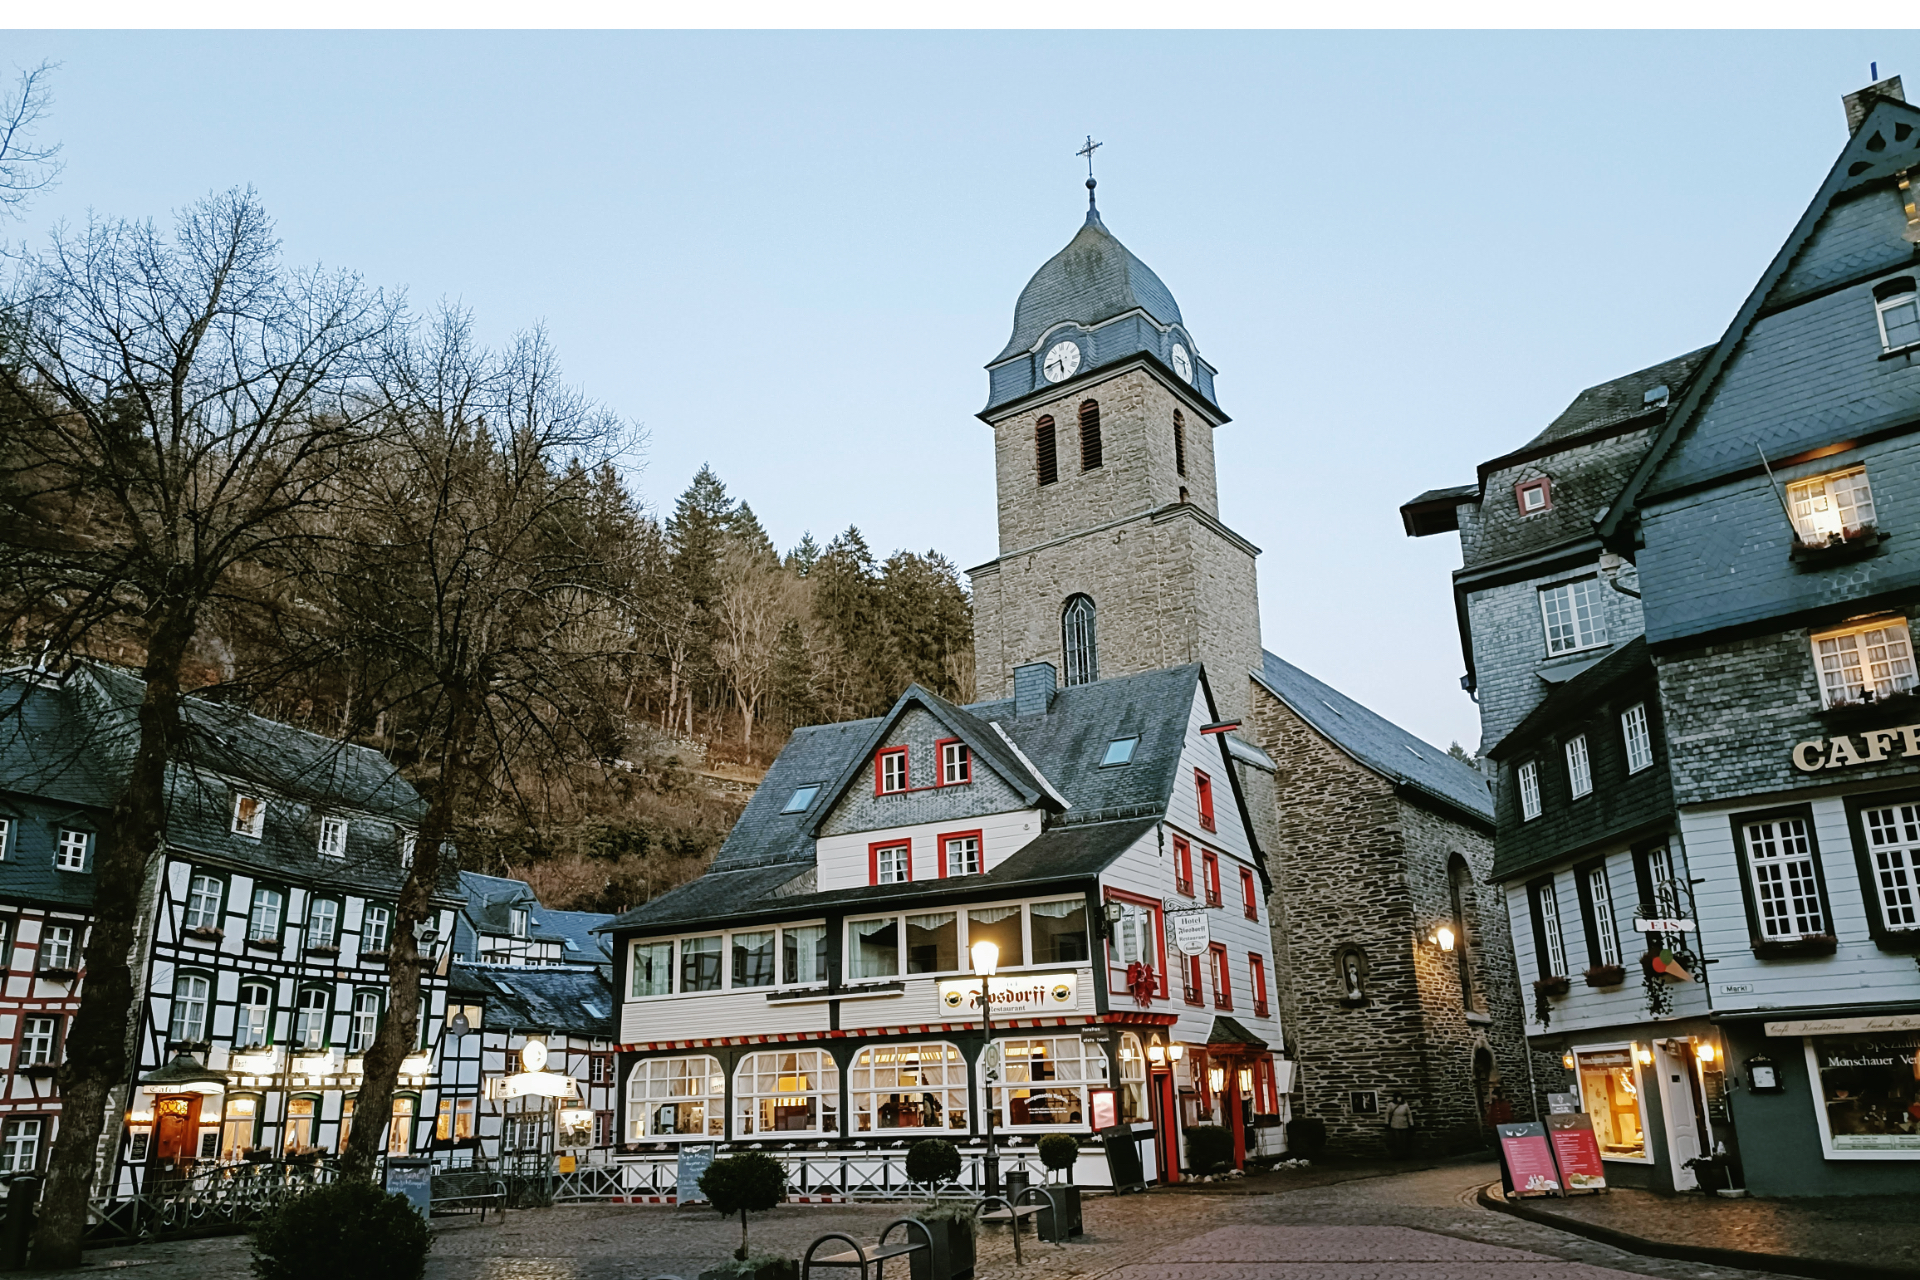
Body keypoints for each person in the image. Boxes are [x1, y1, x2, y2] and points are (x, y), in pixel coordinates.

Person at [1385, 1094, 1415, 1158]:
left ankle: (1403, 1154)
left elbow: (1409, 1114)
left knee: (1404, 1140)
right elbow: (1387, 1113)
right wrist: (1386, 1122)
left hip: (1404, 1123)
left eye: (1400, 1097)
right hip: (1395, 1123)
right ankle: (1397, 1155)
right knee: (1397, 1140)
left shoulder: (1405, 1104)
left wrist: (1411, 1124)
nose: (1399, 1099)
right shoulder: (1391, 1104)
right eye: (1398, 1097)